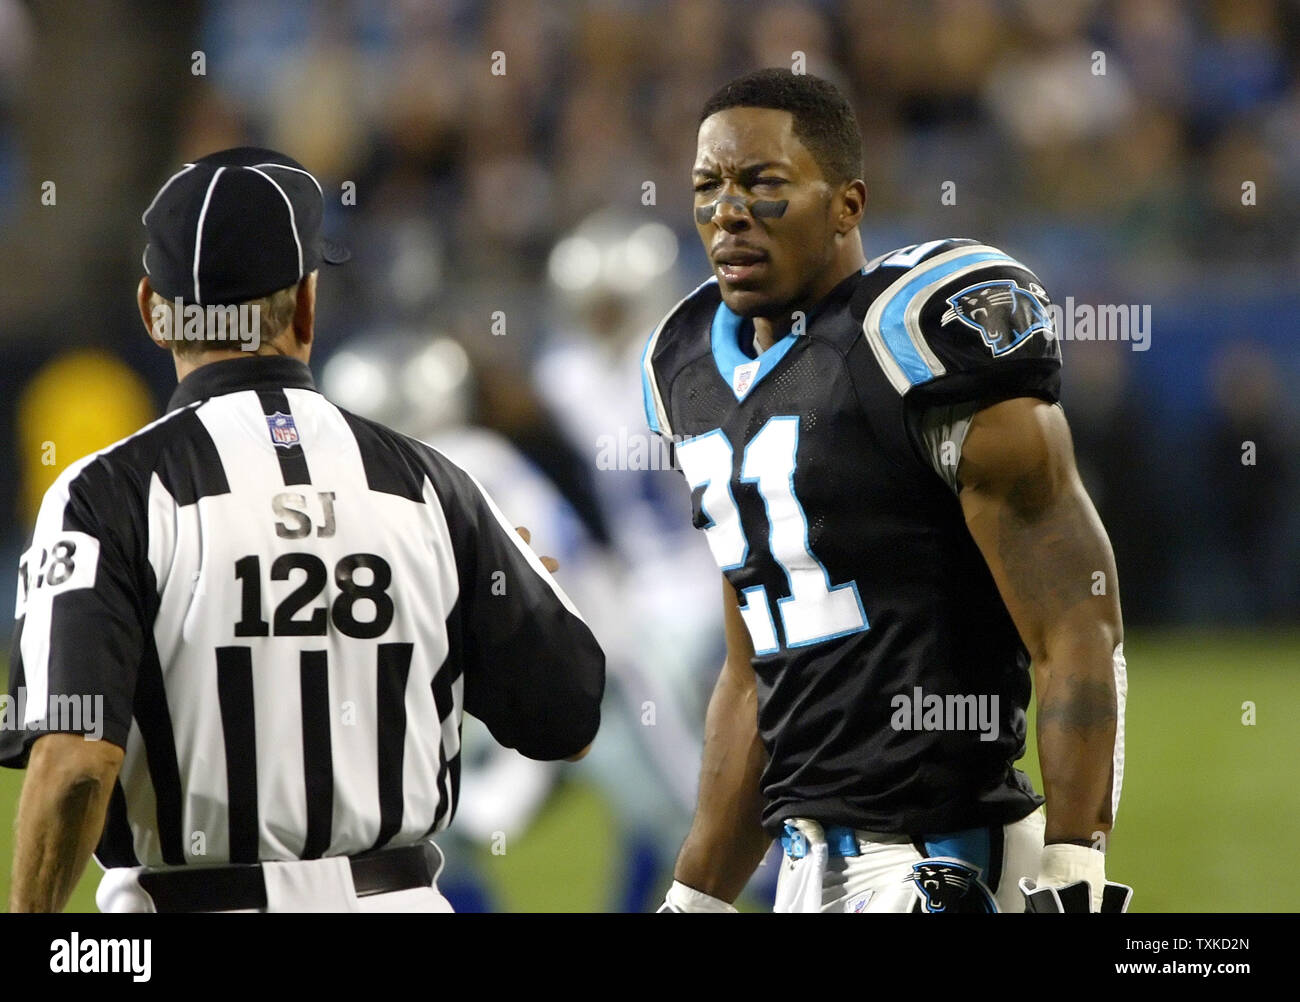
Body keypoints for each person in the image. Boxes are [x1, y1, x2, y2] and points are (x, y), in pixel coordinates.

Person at [1, 147, 605, 913]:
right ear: (308, 306)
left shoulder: (104, 496)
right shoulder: (433, 485)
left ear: (154, 311)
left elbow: (79, 763)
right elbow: (568, 719)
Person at [643, 69, 1131, 914]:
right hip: (801, 869)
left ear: (847, 204)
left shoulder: (918, 337)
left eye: (763, 184)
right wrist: (697, 898)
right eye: (708, 186)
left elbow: (1077, 622)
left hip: (941, 866)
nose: (728, 212)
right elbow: (756, 675)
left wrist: (1074, 862)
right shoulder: (688, 370)